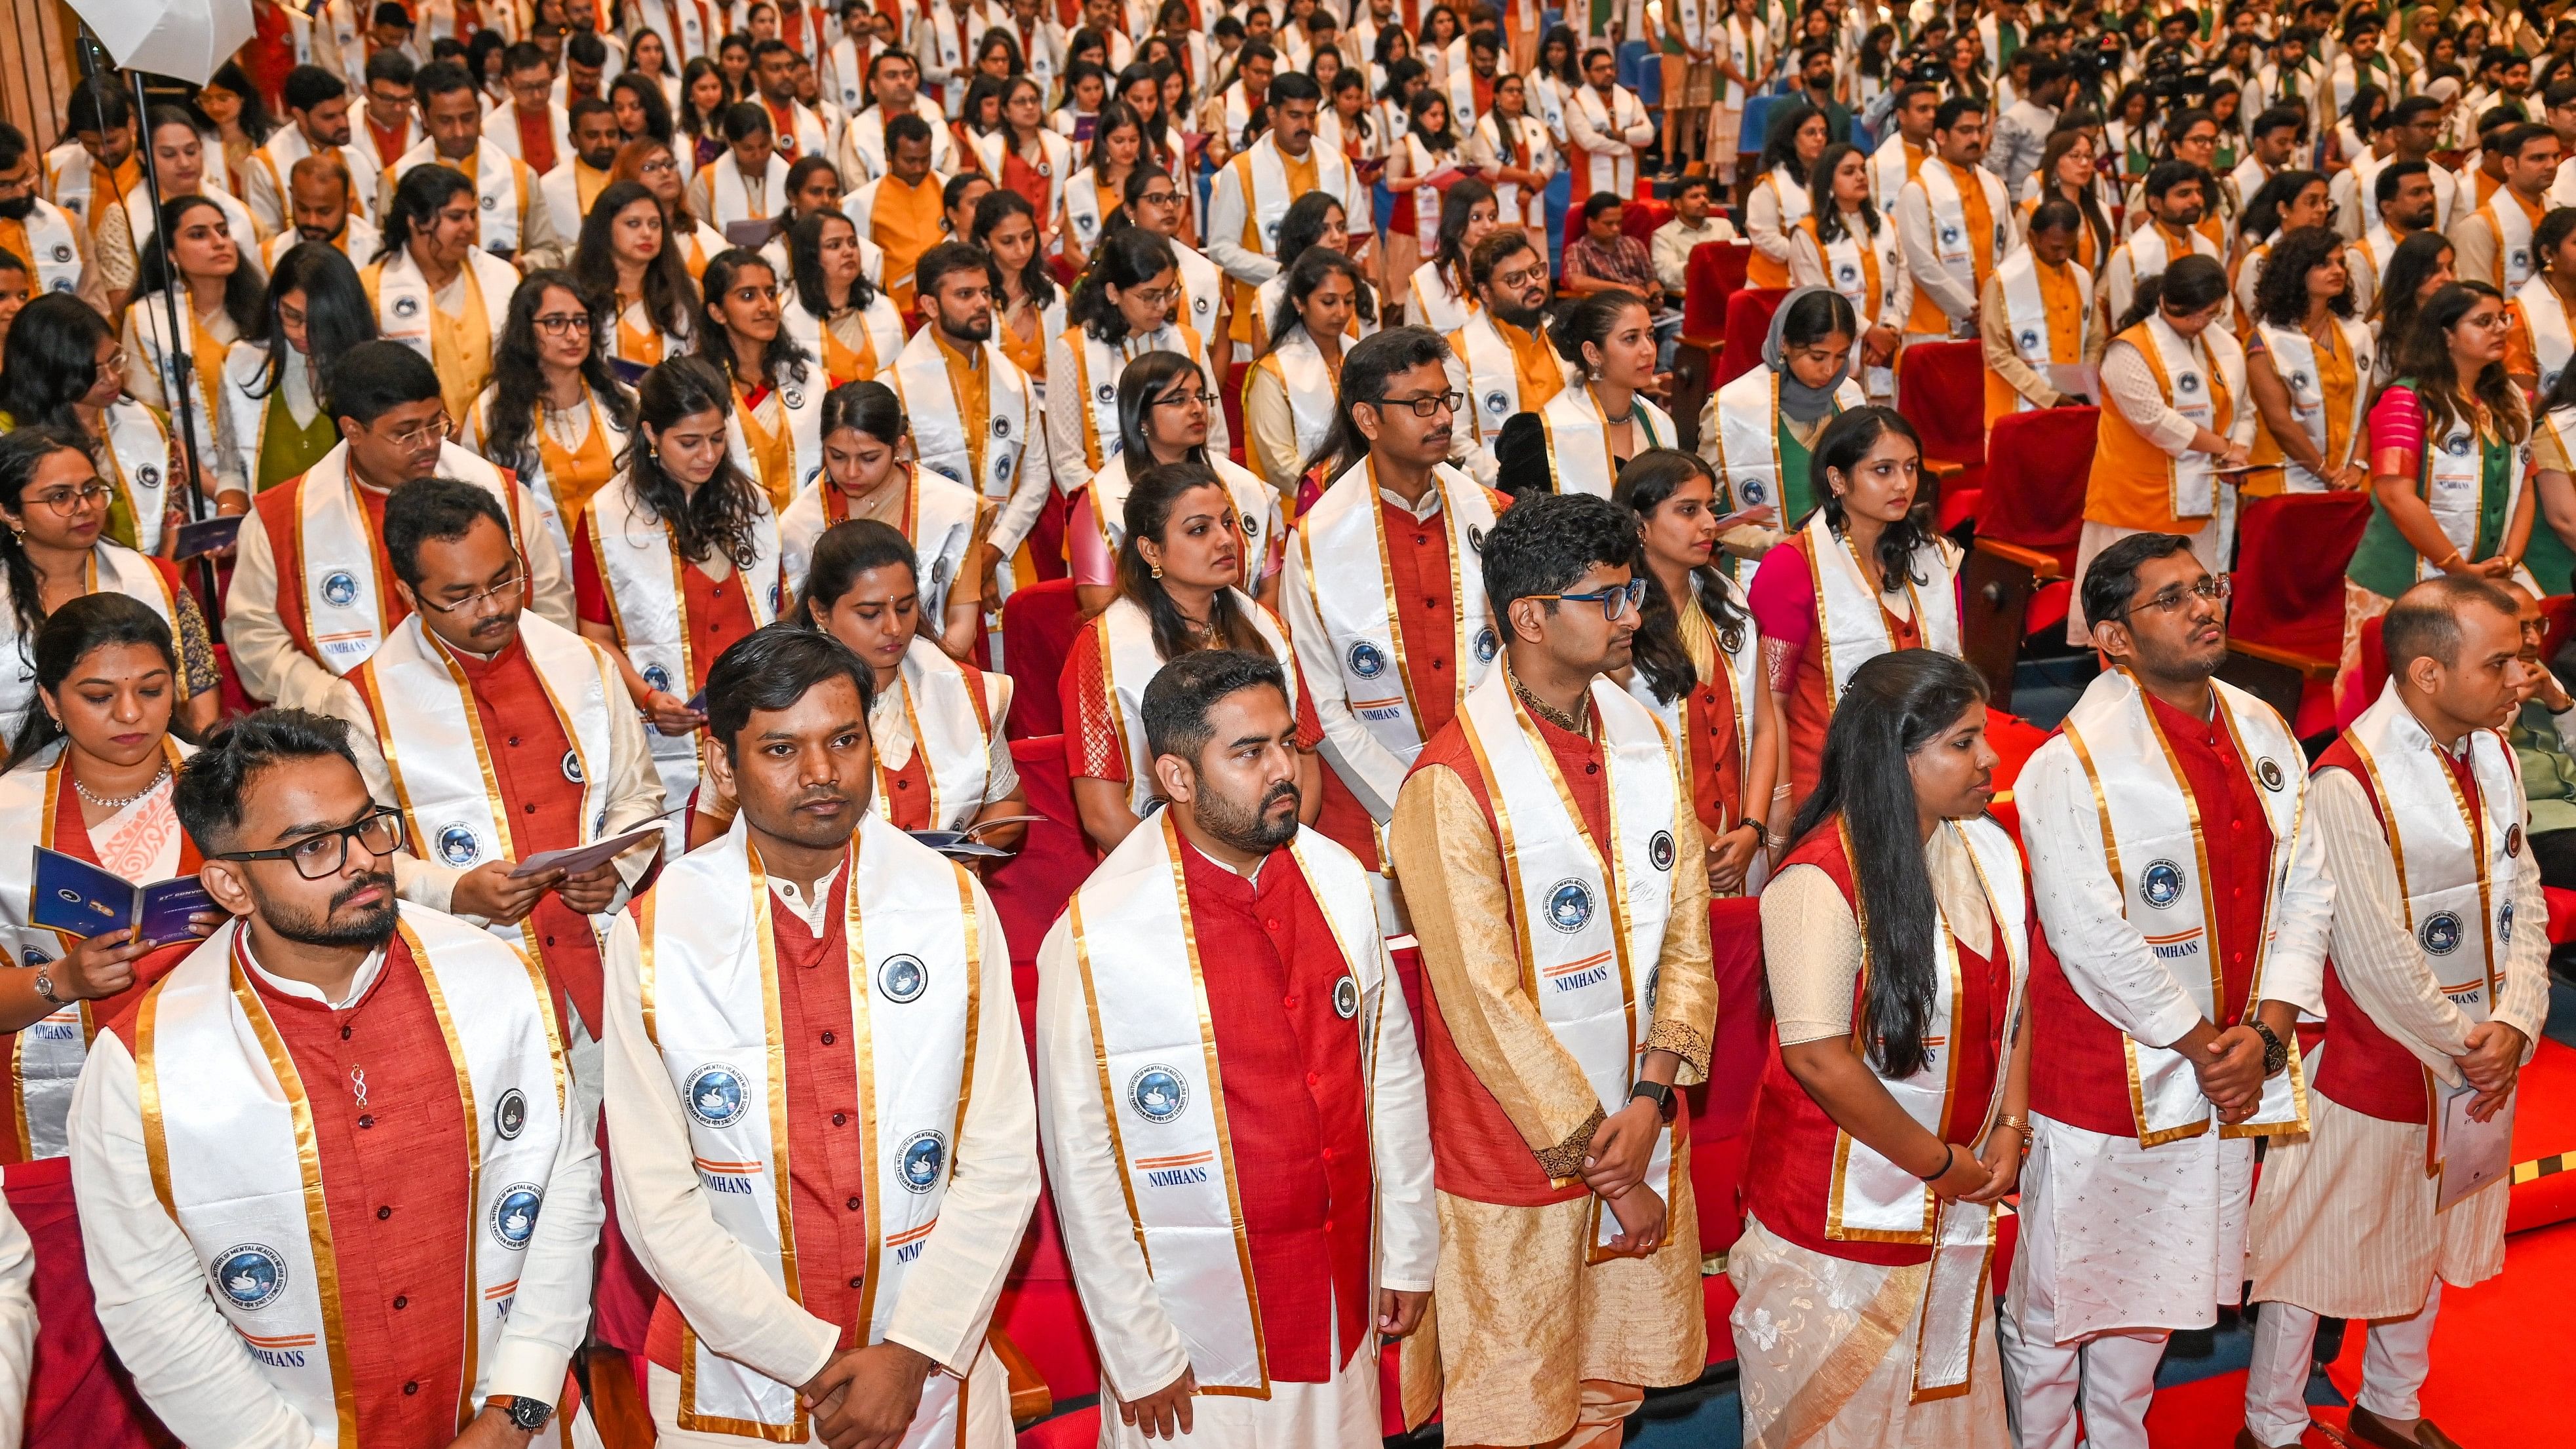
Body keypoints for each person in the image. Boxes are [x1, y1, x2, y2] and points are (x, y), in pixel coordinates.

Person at [70, 708, 602, 1445]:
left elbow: (567, 1193)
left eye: (368, 826)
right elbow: (153, 1310)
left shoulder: (493, 978)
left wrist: (514, 1413)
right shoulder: (144, 1067)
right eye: (314, 846)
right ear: (229, 885)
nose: (362, 861)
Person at [600, 624, 1034, 1445]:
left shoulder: (951, 902)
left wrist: (908, 1354)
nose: (822, 774)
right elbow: (656, 1203)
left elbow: (1003, 1159)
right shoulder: (659, 932)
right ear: (723, 766)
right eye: (780, 750)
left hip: (929, 1361)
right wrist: (813, 1361)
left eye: (843, 740)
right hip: (741, 1370)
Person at [1038, 646, 1434, 1444]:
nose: (1284, 769)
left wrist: (1409, 1250)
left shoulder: (1341, 879)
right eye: (1249, 753)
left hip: (1339, 1287)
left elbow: (1389, 1074)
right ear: (1177, 779)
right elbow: (1080, 1161)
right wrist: (1137, 1350)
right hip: (1192, 1341)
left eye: (1286, 742)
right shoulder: (1096, 936)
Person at [1386, 488, 1715, 1449]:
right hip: (1515, 1148)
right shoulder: (1450, 782)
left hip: (1639, 1117)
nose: (1630, 615)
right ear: (1528, 617)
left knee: (1604, 1390)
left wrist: (1650, 1095)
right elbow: (1481, 1002)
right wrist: (1611, 1166)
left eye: (1630, 593)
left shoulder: (1643, 737)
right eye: (1607, 597)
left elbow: (1688, 933)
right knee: (1519, 1409)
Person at [2007, 532, 2330, 1449]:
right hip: (2109, 1069)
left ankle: (2118, 1436)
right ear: (2109, 636)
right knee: (2060, 1298)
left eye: (2206, 586)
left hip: (2230, 1060)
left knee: (2153, 1282)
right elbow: (2087, 933)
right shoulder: (2069, 762)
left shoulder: (2261, 727)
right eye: (2171, 598)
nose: (2204, 607)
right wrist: (2204, 1044)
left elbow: (2304, 884)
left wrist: (2265, 1033)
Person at [2242, 575, 2547, 1449]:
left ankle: (2389, 1403)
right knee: (2311, 1250)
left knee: (2437, 1228)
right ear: (2423, 671)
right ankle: (2270, 1424)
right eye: (2499, 661)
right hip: (2373, 1059)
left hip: (2478, 1053)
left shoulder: (2490, 749)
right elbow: (2374, 955)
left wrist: (2519, 1020)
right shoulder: (2347, 778)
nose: (2520, 674)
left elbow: (2520, 890)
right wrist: (2467, 1045)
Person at [1730, 647, 2025, 1443]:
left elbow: (2015, 1003)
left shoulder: (1984, 850)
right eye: (1962, 742)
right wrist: (1939, 1163)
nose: (1990, 758)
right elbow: (1817, 1059)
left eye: (1983, 735)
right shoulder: (1818, 880)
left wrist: (2009, 1128)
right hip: (1837, 1223)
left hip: (1952, 1194)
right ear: (1894, 756)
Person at [313, 475, 665, 1086]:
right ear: (408, 594)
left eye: (505, 578)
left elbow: (639, 795)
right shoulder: (363, 701)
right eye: (462, 595)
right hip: (471, 981)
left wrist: (618, 868)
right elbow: (360, 852)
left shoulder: (581, 662)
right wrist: (456, 891)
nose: (495, 606)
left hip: (604, 960)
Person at [225, 340, 574, 711]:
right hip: (349, 728)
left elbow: (552, 605)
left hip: (497, 704)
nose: (428, 444)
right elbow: (255, 636)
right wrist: (332, 697)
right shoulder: (281, 518)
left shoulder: (499, 493)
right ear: (353, 431)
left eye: (436, 424)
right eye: (406, 433)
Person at [0, 593, 217, 1169]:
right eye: (99, 696)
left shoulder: (231, 790)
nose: (130, 714)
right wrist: (63, 978)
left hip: (219, 1087)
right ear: (50, 699)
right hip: (59, 1098)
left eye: (151, 690)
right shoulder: (7, 812)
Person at [1287, 325, 1506, 881]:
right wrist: (1411, 798)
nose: (1443, 419)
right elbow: (1322, 702)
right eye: (1420, 404)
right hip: (1371, 808)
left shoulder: (1491, 513)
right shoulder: (1315, 541)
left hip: (1496, 784)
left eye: (1446, 400)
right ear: (1368, 420)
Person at [1063, 459, 1321, 852]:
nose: (1226, 540)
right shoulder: (1104, 647)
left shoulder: (1267, 626)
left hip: (1275, 853)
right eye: (1200, 530)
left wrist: (1276, 855)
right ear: (1152, 551)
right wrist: (1205, 875)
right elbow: (1103, 814)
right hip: (1162, 871)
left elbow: (1305, 759)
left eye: (1228, 523)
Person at [570, 355, 780, 813]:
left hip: (757, 721)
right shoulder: (607, 519)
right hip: (669, 734)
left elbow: (779, 614)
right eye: (689, 442)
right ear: (650, 434)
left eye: (717, 438)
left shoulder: (754, 507)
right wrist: (647, 697)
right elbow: (595, 637)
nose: (708, 455)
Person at [1746, 406, 1962, 812]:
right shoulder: (1792, 567)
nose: (1903, 483)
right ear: (1837, 479)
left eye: (1911, 467)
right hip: (1830, 788)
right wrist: (1778, 805)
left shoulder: (1936, 559)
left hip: (1928, 781)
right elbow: (1770, 701)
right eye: (1883, 470)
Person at [2345, 281, 2537, 687]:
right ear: (2447, 335)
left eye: (2502, 319)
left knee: (2468, 694)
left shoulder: (2510, 399)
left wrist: (2508, 561)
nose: (2500, 329)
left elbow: (2525, 485)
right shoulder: (2405, 399)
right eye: (2483, 322)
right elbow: (2395, 495)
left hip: (2481, 580)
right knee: (2391, 694)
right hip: (2398, 577)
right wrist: (2457, 567)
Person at [792, 518, 1025, 841]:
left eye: (905, 608)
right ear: (820, 612)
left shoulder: (962, 691)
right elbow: (717, 828)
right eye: (870, 614)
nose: (894, 628)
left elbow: (1009, 804)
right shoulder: (777, 702)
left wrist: (971, 849)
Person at [1615, 448, 1783, 888]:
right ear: (1640, 525)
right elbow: (1616, 750)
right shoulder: (1615, 615)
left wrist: (1753, 828)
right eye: (1688, 510)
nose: (1710, 523)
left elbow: (1766, 725)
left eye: (1710, 507)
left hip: (1742, 839)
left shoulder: (1729, 598)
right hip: (1657, 838)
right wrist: (1700, 838)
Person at [2071, 256, 2254, 643]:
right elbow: (2155, 421)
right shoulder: (2128, 350)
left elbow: (2244, 409)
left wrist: (2241, 447)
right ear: (2168, 303)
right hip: (2136, 504)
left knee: (2195, 610)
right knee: (2134, 614)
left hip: (2200, 502)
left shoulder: (2221, 347)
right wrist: (2223, 447)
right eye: (2195, 316)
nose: (2203, 325)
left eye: (2211, 315)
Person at [0, 421, 216, 744]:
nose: (85, 507)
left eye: (91, 490)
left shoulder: (158, 581)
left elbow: (202, 708)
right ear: (11, 513)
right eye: (60, 497)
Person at [883, 241, 1051, 609]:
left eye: (986, 292)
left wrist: (993, 550)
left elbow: (1038, 476)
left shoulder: (1016, 380)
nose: (981, 304)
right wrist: (969, 561)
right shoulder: (895, 388)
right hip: (933, 564)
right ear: (929, 305)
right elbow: (899, 491)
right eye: (964, 294)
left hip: (1008, 555)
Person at [778, 380, 986, 653]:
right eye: (837, 456)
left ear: (899, 446)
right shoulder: (799, 522)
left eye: (869, 458)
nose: (851, 472)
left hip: (931, 667)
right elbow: (794, 625)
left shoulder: (950, 508)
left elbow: (962, 622)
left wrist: (928, 680)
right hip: (833, 673)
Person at [1074, 350, 1280, 621]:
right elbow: (1100, 610)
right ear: (1142, 418)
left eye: (1200, 396)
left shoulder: (1241, 484)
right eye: (1179, 400)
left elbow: (1269, 587)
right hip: (1154, 649)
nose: (1197, 409)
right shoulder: (1101, 501)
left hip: (1244, 640)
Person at [465, 269, 640, 573]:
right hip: (540, 582)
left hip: (626, 573)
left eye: (581, 321)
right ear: (525, 331)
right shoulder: (488, 415)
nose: (573, 335)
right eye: (555, 323)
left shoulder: (627, 402)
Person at [0, 297, 186, 566]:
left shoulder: (150, 423)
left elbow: (175, 522)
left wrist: (163, 586)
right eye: (91, 372)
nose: (112, 379)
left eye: (115, 361)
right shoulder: (9, 436)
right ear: (47, 372)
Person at [1206, 73, 1369, 355]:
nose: (1305, 125)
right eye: (1295, 115)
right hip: (1261, 317)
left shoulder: (1337, 164)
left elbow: (1359, 234)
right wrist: (1282, 272)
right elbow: (1221, 249)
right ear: (1272, 114)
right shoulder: (1241, 170)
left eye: (1311, 116)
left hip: (1332, 319)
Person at [122, 195, 261, 524]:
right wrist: (221, 492)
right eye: (199, 235)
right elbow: (154, 423)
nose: (219, 242)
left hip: (263, 478)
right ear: (171, 253)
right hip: (195, 489)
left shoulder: (261, 313)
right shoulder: (148, 319)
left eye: (223, 231)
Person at [1698, 286, 1865, 539]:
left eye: (1841, 356)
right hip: (1757, 565)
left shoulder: (1849, 398)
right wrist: (1783, 547)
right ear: (1784, 343)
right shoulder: (1732, 408)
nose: (1830, 370)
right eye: (1817, 357)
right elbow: (1704, 510)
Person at [362, 164, 519, 427]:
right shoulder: (373, 288)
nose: (470, 227)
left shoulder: (505, 277)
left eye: (473, 215)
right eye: (456, 217)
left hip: (499, 433)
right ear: (415, 221)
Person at [385, 60, 563, 267]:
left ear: (479, 110)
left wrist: (524, 265)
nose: (459, 132)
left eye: (467, 118)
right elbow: (388, 256)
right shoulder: (396, 179)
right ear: (424, 117)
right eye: (446, 121)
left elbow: (551, 253)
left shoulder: (519, 176)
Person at [1506, 288, 1678, 497]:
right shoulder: (1543, 434)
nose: (1648, 350)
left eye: (1650, 335)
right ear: (1593, 353)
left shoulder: (1660, 423)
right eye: (1631, 338)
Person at [2244, 224, 2374, 497]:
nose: (2338, 271)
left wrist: (2357, 467)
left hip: (2350, 482)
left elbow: (2366, 411)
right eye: (2323, 264)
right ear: (2296, 272)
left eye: (2340, 263)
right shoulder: (2266, 340)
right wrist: (2324, 472)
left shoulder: (2357, 334)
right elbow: (2279, 421)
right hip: (2284, 488)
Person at [693, 246, 824, 511]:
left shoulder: (810, 380)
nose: (766, 307)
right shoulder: (697, 386)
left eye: (771, 293)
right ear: (717, 312)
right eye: (749, 296)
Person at [97, 107, 258, 317]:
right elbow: (123, 306)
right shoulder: (122, 218)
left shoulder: (235, 210)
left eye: (191, 151)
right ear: (143, 157)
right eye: (169, 154)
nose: (184, 163)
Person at [1246, 248, 1376, 497]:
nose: (1341, 312)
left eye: (1349, 301)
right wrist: (1337, 491)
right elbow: (1279, 464)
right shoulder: (1273, 371)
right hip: (1307, 504)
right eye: (1328, 302)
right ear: (1299, 302)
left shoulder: (1363, 356)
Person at [1444, 228, 1566, 485]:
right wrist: (1508, 484)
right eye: (1515, 279)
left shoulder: (1565, 338)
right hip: (1502, 494)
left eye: (1536, 271)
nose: (1532, 283)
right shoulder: (1458, 351)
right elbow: (1455, 439)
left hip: (1572, 481)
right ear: (1486, 292)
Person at [1790, 143, 1910, 402]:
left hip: (1887, 348)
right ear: (1829, 183)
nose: (1860, 177)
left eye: (1862, 170)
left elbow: (1905, 281)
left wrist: (1890, 330)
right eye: (1849, 171)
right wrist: (1869, 332)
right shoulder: (1808, 233)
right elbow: (1818, 294)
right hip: (1835, 353)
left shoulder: (1887, 224)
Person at [1896, 95, 2015, 344]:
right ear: (1941, 137)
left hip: (1993, 321)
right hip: (1935, 328)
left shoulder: (1994, 186)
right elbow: (1921, 264)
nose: (1975, 139)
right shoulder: (1918, 190)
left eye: (1979, 130)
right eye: (1965, 131)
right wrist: (1972, 310)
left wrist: (1997, 305)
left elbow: (2011, 249)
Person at [1982, 198, 2100, 423]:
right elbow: (1997, 353)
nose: (2064, 255)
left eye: (2071, 246)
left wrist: (2085, 379)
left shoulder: (2082, 278)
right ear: (2033, 237)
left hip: (2075, 403)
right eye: (2056, 248)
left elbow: (2095, 337)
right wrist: (2049, 396)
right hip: (2018, 409)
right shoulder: (2002, 282)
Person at [242, 64, 383, 239]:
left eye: (344, 113)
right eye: (329, 117)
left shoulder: (357, 158)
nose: (343, 124)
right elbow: (267, 240)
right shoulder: (264, 166)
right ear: (300, 116)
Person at [576, 176, 703, 369]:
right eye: (633, 224)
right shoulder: (577, 295)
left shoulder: (686, 291)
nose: (647, 234)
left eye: (654, 225)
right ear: (605, 230)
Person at [778, 207, 905, 387]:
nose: (848, 252)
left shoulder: (883, 308)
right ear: (810, 256)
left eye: (853, 243)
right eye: (834, 245)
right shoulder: (784, 316)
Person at [841, 111, 951, 317]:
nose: (918, 168)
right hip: (892, 310)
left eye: (925, 159)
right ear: (888, 154)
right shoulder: (862, 203)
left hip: (948, 304)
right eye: (910, 161)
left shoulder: (949, 191)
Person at [2101, 159, 2223, 333]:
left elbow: (2223, 318)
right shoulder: (2129, 256)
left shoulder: (2208, 249)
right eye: (2184, 194)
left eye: (2199, 192)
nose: (2196, 200)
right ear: (2155, 203)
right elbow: (2124, 325)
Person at [0, 124, 101, 315]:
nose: (22, 192)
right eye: (5, 185)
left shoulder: (69, 224)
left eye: (25, 177)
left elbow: (96, 308)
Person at [2449, 119, 2559, 290]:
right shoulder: (2480, 226)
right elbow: (2476, 297)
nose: (2552, 165)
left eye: (2555, 156)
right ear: (2509, 165)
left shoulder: (2560, 214)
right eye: (2538, 158)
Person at [971, 189, 1059, 384]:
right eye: (1007, 241)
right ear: (985, 242)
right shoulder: (974, 299)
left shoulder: (1055, 295)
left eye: (1027, 237)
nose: (1021, 250)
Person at [1468, 71, 1558, 256]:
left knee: (1537, 257)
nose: (1516, 95)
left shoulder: (1535, 125)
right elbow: (1487, 166)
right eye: (1510, 91)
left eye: (1520, 91)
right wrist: (1527, 176)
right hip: (1499, 203)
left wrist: (1530, 189)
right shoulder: (1485, 127)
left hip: (1533, 203)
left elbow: (1549, 162)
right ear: (1497, 96)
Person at [1746, 102, 1826, 290]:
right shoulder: (1769, 186)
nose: (1820, 138)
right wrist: (1810, 255)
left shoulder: (1831, 181)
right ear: (1792, 139)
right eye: (1811, 133)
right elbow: (1765, 238)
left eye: (1823, 132)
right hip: (1771, 285)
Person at [1405, 178, 1495, 338]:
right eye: (1476, 218)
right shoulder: (1428, 280)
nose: (1488, 226)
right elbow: (1413, 345)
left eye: (1493, 217)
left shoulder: (1506, 268)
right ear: (1456, 220)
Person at [484, 40, 574, 172]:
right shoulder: (490, 129)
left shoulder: (567, 122)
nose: (537, 95)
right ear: (508, 83)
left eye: (543, 85)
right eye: (527, 88)